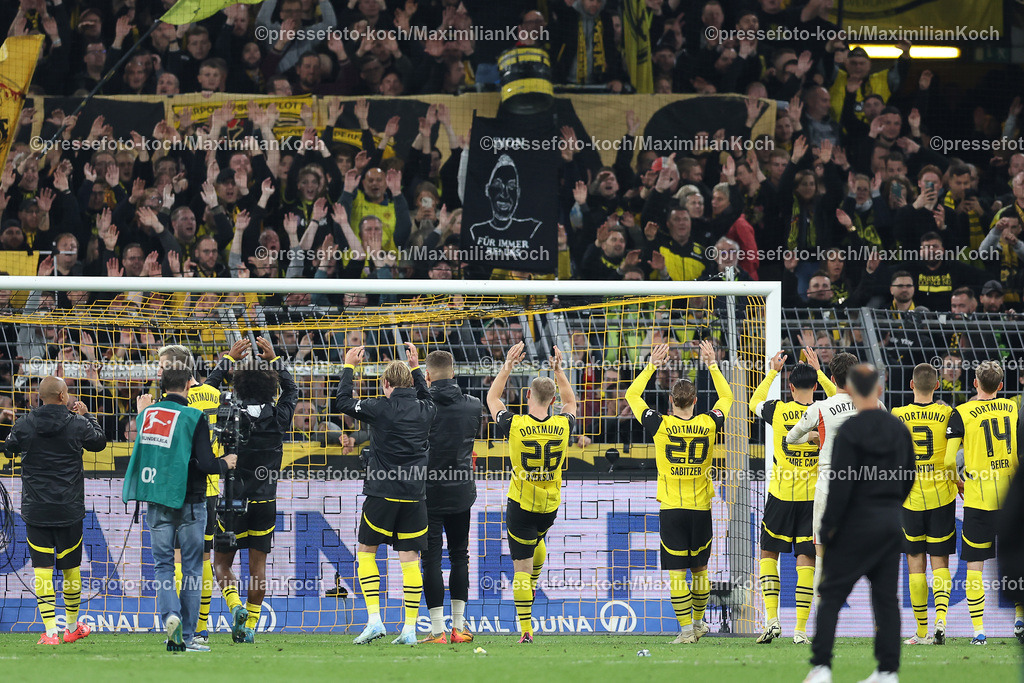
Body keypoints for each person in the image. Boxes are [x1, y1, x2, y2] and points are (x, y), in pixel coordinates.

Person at [805, 365, 916, 683]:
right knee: (886, 600)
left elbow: (840, 484)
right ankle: (887, 671)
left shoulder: (850, 432)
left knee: (831, 596)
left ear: (851, 392)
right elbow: (909, 474)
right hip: (889, 523)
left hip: (855, 525)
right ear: (879, 390)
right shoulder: (898, 428)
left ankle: (822, 667)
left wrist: (828, 527)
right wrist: (892, 504)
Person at [625, 339, 733, 644]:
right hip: (701, 509)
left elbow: (631, 394)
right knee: (700, 570)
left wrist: (652, 365)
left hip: (672, 509)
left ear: (672, 401)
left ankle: (686, 630)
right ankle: (699, 624)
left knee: (676, 573)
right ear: (696, 401)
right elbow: (726, 395)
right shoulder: (709, 423)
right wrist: (711, 362)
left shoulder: (659, 424)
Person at [123, 366, 237, 652]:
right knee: (192, 570)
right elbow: (207, 464)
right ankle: (187, 635)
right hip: (191, 502)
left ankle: (169, 616)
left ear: (162, 387)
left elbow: (145, 451)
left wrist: (141, 412)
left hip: (157, 500)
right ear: (189, 385)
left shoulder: (148, 416)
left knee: (163, 566)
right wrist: (227, 462)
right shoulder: (194, 416)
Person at [336, 342, 435, 645]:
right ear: (410, 383)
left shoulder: (379, 408)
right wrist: (416, 366)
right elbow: (427, 393)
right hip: (414, 496)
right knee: (410, 559)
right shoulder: (426, 410)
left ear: (387, 384)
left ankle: (375, 620)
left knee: (367, 551)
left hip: (382, 493)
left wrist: (349, 366)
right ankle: (409, 629)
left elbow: (342, 402)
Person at [208, 337, 297, 644]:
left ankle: (235, 609)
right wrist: (276, 361)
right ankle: (248, 629)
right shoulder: (279, 417)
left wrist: (227, 361)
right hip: (265, 502)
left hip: (232, 500)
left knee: (220, 564)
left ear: (238, 385)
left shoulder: (227, 414)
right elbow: (292, 389)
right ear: (271, 387)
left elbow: (206, 391)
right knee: (258, 567)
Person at [486, 341, 577, 644]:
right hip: (550, 506)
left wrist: (509, 364)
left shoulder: (514, 424)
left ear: (528, 395)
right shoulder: (563, 425)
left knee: (521, 570)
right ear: (552, 400)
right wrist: (560, 371)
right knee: (538, 542)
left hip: (521, 504)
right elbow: (571, 403)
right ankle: (534, 583)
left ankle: (526, 629)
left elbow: (492, 397)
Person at [5, 376, 107, 645]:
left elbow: (9, 448)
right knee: (71, 569)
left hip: (36, 510)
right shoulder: (77, 423)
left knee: (42, 570)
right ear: (63, 396)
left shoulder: (25, 423)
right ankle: (72, 627)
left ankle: (50, 632)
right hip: (68, 509)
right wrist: (88, 416)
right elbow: (99, 442)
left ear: (41, 397)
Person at [749, 348, 836, 645]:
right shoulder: (825, 411)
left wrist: (772, 370)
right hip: (812, 499)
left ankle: (772, 619)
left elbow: (753, 402)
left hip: (780, 494)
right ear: (814, 386)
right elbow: (841, 398)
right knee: (806, 561)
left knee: (768, 555)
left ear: (789, 386)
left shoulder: (778, 409)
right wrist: (819, 369)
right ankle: (800, 630)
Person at [787, 352, 882, 600]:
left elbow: (790, 438)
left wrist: (815, 438)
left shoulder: (820, 408)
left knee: (822, 557)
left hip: (829, 488)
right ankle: (879, 628)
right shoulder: (874, 405)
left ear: (832, 378)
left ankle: (821, 627)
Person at [944, 360, 1022, 645]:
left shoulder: (961, 413)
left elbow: (949, 460)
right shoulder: (1013, 408)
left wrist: (957, 481)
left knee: (975, 565)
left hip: (979, 498)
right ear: (1000, 386)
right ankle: (1019, 617)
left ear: (974, 382)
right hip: (1012, 498)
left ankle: (978, 631)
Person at [157, 344, 222, 645]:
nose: (158, 370)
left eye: (161, 365)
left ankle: (175, 618)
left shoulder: (158, 409)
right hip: (202, 491)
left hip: (165, 492)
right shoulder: (210, 394)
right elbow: (206, 459)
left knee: (168, 565)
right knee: (199, 563)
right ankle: (197, 629)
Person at [419, 350, 482, 644]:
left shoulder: (421, 406)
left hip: (428, 493)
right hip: (460, 491)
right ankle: (459, 628)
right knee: (460, 556)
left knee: (431, 560)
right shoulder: (473, 406)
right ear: (454, 372)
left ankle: (437, 631)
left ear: (428, 375)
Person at [892, 363, 955, 645]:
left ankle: (921, 631)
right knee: (940, 562)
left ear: (910, 384)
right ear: (937, 386)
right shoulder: (947, 414)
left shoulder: (898, 415)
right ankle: (942, 619)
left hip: (910, 498)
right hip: (942, 496)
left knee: (915, 564)